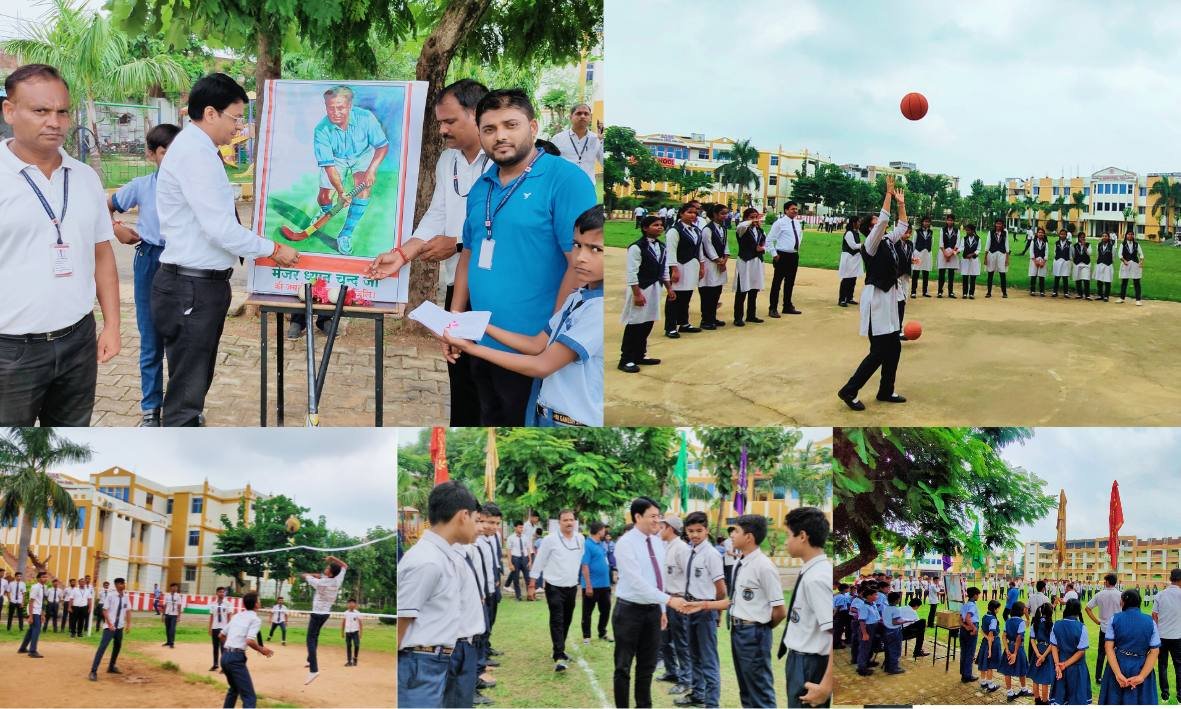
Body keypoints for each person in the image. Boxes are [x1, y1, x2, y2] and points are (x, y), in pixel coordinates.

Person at [154, 73, 299, 426]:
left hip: (197, 285)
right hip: (192, 288)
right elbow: (221, 229)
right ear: (210, 113)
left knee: (192, 379)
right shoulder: (195, 155)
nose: (239, 127)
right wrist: (273, 249)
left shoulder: (200, 150)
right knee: (187, 390)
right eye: (235, 117)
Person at [446, 89, 596, 425]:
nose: (500, 136)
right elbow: (468, 254)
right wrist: (454, 322)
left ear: (532, 126)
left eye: (510, 125)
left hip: (530, 348)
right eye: (489, 129)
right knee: (488, 419)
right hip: (480, 340)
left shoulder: (566, 179)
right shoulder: (482, 186)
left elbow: (578, 263)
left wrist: (549, 334)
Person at [0, 64, 121, 426]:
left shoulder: (84, 178)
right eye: (40, 111)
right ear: (9, 111)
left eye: (62, 111)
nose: (54, 121)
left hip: (77, 342)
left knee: (67, 448)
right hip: (10, 350)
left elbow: (102, 253)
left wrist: (112, 325)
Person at [367, 79, 490, 425]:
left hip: (495, 291)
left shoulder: (500, 161)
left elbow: (506, 230)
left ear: (476, 114)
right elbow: (437, 212)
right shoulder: (448, 161)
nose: (442, 130)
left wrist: (459, 244)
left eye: (450, 121)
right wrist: (403, 254)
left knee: (491, 383)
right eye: (439, 122)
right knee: (460, 377)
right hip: (458, 288)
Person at [442, 205, 604, 427]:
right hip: (545, 412)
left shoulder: (597, 311)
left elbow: (542, 364)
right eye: (577, 245)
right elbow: (536, 344)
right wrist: (477, 325)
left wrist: (473, 349)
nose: (581, 257)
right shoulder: (578, 298)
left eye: (596, 249)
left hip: (571, 422)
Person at [104, 123, 180, 426]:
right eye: (165, 152)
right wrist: (116, 229)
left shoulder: (194, 188)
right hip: (150, 260)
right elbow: (104, 206)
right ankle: (151, 409)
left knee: (182, 340)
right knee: (151, 339)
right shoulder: (141, 186)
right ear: (152, 154)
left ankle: (181, 407)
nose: (172, 159)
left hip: (184, 263)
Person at [397, 481, 482, 708]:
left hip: (434, 661)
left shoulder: (443, 555)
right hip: (419, 664)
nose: (478, 527)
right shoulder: (427, 561)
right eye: (476, 520)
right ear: (463, 516)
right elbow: (402, 619)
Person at [613, 497, 695, 708]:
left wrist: (661, 610)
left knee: (647, 666)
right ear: (638, 516)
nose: (657, 521)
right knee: (623, 666)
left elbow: (658, 579)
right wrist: (669, 601)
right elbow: (636, 582)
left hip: (652, 612)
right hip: (629, 612)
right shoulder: (625, 544)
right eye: (652, 516)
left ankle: (644, 705)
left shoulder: (658, 543)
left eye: (659, 516)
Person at [837, 176, 909, 411]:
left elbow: (903, 227)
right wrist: (887, 195)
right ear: (871, 228)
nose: (881, 223)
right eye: (876, 222)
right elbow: (884, 221)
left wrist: (901, 203)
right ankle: (849, 390)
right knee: (878, 351)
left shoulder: (888, 240)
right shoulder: (871, 243)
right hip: (876, 298)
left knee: (894, 348)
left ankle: (886, 390)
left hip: (888, 298)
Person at [777, 506, 834, 708]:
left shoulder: (817, 578)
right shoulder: (811, 571)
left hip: (809, 664)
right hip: (801, 660)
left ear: (802, 536)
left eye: (787, 535)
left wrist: (826, 685)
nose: (786, 541)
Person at [729, 514, 787, 708]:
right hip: (738, 630)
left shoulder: (764, 566)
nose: (731, 535)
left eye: (736, 531)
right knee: (746, 687)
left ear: (749, 537)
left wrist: (761, 627)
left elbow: (779, 610)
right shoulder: (741, 562)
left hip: (754, 633)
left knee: (760, 689)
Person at [679, 511, 726, 708]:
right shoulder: (692, 550)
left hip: (705, 610)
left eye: (699, 530)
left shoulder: (712, 554)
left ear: (707, 530)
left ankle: (712, 703)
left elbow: (721, 589)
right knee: (694, 656)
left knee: (708, 660)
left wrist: (717, 612)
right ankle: (698, 695)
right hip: (691, 608)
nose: (695, 535)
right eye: (690, 531)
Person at [530, 509, 585, 672]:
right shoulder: (550, 540)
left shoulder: (580, 539)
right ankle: (559, 655)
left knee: (567, 619)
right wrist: (532, 584)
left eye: (571, 520)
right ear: (559, 522)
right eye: (565, 520)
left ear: (575, 522)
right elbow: (539, 561)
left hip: (571, 586)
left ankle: (559, 649)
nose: (569, 523)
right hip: (554, 586)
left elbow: (579, 560)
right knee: (557, 619)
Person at [618, 215, 668, 374]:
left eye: (661, 225)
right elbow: (632, 273)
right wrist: (637, 294)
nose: (659, 227)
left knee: (647, 322)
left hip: (655, 287)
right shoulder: (637, 247)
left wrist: (669, 288)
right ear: (645, 228)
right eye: (655, 225)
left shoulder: (661, 246)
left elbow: (664, 269)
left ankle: (640, 354)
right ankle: (626, 358)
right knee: (635, 323)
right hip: (641, 288)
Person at [1100, 588, 1161, 705]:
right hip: (1140, 665)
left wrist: (1118, 674)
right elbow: (1154, 651)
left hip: (1118, 663)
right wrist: (1142, 676)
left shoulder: (1115, 618)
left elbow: (1108, 647)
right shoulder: (1150, 621)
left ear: (1123, 602)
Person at [216, 590, 272, 708]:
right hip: (235, 659)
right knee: (249, 697)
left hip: (225, 657)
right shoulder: (255, 619)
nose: (260, 602)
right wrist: (262, 650)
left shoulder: (237, 616)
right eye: (259, 600)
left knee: (234, 689)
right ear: (256, 604)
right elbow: (249, 641)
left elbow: (221, 635)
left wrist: (230, 649)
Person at [658, 515, 692, 695]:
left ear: (670, 528)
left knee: (681, 642)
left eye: (662, 526)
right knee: (665, 640)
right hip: (666, 600)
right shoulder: (666, 547)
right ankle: (672, 671)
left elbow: (689, 577)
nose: (659, 529)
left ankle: (686, 679)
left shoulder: (681, 549)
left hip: (678, 600)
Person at [302, 554, 349, 684]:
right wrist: (333, 557)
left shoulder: (321, 583)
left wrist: (306, 575)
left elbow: (308, 577)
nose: (326, 568)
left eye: (328, 568)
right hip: (325, 614)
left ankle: (313, 670)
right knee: (314, 637)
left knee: (310, 639)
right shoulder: (337, 579)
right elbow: (345, 566)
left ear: (331, 573)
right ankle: (310, 659)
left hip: (317, 614)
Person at [663, 203, 703, 337]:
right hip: (679, 265)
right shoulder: (675, 230)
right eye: (689, 212)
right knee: (674, 297)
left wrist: (701, 266)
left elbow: (699, 250)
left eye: (695, 213)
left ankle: (684, 322)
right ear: (681, 214)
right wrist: (674, 269)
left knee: (686, 296)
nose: (693, 215)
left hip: (692, 266)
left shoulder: (696, 230)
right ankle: (670, 326)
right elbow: (671, 251)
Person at [1050, 598, 1092, 705]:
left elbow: (1053, 646)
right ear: (1078, 611)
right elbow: (1081, 651)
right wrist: (1062, 665)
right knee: (1076, 698)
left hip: (1061, 665)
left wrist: (1057, 664)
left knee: (1061, 697)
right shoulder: (1082, 627)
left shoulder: (1056, 625)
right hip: (1076, 667)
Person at [88, 577, 129, 681]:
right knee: (102, 648)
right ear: (116, 585)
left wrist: (128, 624)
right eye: (121, 583)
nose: (123, 585)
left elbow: (128, 610)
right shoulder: (110, 596)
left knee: (117, 647)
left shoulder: (126, 597)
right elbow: (105, 610)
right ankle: (93, 671)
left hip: (119, 627)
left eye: (123, 583)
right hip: (109, 628)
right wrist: (110, 624)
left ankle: (111, 666)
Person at [768, 201, 804, 316]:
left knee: (790, 282)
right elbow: (769, 240)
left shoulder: (797, 223)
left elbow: (799, 236)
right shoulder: (779, 223)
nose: (795, 211)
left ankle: (787, 306)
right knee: (777, 283)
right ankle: (773, 308)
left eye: (796, 209)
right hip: (782, 255)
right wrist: (774, 254)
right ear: (786, 210)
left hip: (793, 255)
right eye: (792, 209)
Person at [551, 103, 602, 185]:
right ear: (570, 117)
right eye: (578, 113)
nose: (582, 116)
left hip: (587, 187)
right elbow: (551, 164)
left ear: (590, 118)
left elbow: (604, 163)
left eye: (586, 114)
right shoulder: (558, 139)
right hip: (564, 187)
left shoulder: (597, 139)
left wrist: (602, 141)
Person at [698, 203, 730, 330]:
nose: (725, 216)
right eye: (722, 213)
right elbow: (708, 246)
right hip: (710, 264)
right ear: (715, 214)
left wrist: (725, 259)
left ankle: (712, 317)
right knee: (708, 292)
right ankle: (706, 319)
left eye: (726, 213)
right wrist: (718, 260)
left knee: (717, 291)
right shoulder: (707, 229)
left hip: (720, 262)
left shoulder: (723, 229)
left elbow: (725, 245)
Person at [733, 208, 766, 326]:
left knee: (754, 289)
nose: (755, 220)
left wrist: (762, 249)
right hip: (745, 261)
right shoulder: (742, 229)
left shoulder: (760, 230)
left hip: (756, 261)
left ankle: (751, 315)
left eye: (756, 217)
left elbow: (764, 244)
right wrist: (752, 221)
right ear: (746, 218)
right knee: (742, 289)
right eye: (751, 217)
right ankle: (738, 317)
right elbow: (741, 226)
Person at [580, 520, 613, 645]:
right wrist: (588, 585)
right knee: (587, 612)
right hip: (592, 585)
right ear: (599, 531)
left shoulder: (601, 544)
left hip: (604, 584)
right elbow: (585, 565)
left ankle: (602, 632)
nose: (605, 532)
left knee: (605, 610)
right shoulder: (587, 545)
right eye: (604, 529)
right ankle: (586, 636)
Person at [1153, 568, 1181, 702]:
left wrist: (1159, 627)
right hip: (1178, 636)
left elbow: (1154, 615)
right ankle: (1180, 694)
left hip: (1162, 635)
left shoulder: (1160, 594)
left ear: (1171, 579)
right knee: (1179, 665)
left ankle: (1165, 693)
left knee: (1162, 665)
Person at [1000, 600, 1032, 700]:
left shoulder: (1008, 621)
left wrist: (1007, 649)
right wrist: (1014, 653)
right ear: (1021, 610)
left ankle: (1010, 693)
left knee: (1007, 670)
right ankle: (1024, 689)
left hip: (1009, 647)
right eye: (1024, 609)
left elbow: (1004, 636)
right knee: (1022, 669)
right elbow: (1019, 637)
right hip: (1018, 648)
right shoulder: (1021, 622)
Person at [17, 570, 48, 658]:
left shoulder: (43, 587)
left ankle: (22, 648)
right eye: (43, 577)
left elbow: (42, 602)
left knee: (31, 630)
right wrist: (30, 616)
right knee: (36, 630)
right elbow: (31, 602)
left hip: (38, 611)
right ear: (38, 579)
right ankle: (32, 651)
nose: (45, 578)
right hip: (33, 611)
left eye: (46, 577)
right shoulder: (36, 587)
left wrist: (42, 614)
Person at [976, 599, 1002, 692]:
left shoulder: (984, 616)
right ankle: (990, 685)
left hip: (984, 642)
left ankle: (983, 682)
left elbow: (981, 630)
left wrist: (986, 637)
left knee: (984, 662)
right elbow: (991, 635)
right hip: (992, 644)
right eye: (998, 608)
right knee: (990, 664)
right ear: (995, 609)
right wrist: (990, 650)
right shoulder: (993, 619)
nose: (998, 610)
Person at [837, 215, 863, 307]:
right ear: (854, 223)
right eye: (858, 222)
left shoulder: (856, 233)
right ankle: (842, 299)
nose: (860, 223)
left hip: (855, 258)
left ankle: (849, 297)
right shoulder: (849, 233)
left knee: (853, 279)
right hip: (848, 258)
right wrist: (863, 245)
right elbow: (853, 246)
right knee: (846, 278)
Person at [208, 586, 233, 671]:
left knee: (223, 648)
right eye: (220, 592)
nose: (222, 593)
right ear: (217, 593)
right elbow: (211, 616)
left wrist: (229, 629)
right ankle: (215, 664)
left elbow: (229, 617)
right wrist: (210, 628)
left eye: (223, 592)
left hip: (223, 629)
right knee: (215, 647)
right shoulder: (213, 604)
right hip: (215, 627)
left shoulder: (228, 604)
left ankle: (224, 666)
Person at [936, 213, 960, 298]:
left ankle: (950, 292)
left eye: (951, 220)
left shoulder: (957, 231)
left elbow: (957, 244)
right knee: (941, 273)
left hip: (952, 254)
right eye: (948, 220)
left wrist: (950, 254)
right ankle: (940, 291)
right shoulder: (942, 230)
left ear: (953, 221)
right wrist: (945, 254)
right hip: (943, 252)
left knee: (951, 274)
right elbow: (941, 243)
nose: (950, 221)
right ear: (946, 221)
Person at [881, 592, 905, 675]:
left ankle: (888, 667)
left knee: (888, 650)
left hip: (886, 630)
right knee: (895, 650)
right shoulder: (896, 609)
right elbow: (895, 622)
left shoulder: (885, 608)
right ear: (897, 600)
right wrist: (905, 621)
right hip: (894, 631)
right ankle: (893, 668)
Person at [960, 586, 981, 684]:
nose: (978, 597)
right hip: (971, 629)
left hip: (964, 629)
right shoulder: (972, 605)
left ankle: (964, 674)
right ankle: (967, 675)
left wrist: (965, 626)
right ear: (975, 595)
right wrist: (973, 627)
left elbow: (960, 619)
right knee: (970, 653)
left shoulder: (965, 604)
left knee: (964, 652)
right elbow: (968, 617)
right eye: (978, 595)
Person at [984, 218, 1010, 298]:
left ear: (1002, 225)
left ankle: (1004, 293)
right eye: (997, 223)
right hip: (992, 253)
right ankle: (988, 292)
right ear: (995, 224)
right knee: (990, 273)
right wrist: (985, 257)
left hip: (1002, 254)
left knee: (1002, 274)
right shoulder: (991, 232)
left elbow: (1007, 245)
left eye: (1000, 224)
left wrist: (1007, 258)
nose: (998, 225)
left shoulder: (1005, 233)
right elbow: (988, 244)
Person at [1118, 229, 1144, 305]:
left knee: (1136, 282)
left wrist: (1141, 262)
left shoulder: (1136, 244)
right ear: (1126, 235)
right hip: (1126, 263)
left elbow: (1141, 254)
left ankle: (1138, 300)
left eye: (1132, 234)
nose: (1130, 236)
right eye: (1128, 234)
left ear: (1133, 236)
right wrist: (1124, 261)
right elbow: (1120, 254)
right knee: (1124, 282)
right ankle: (1122, 298)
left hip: (1135, 264)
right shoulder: (1123, 244)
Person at [911, 215, 933, 297]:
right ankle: (913, 292)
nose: (926, 223)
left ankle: (925, 291)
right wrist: (913, 255)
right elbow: (913, 243)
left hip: (927, 254)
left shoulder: (931, 232)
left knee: (926, 273)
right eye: (925, 221)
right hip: (918, 253)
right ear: (922, 222)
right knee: (916, 273)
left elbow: (932, 242)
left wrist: (929, 251)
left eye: (928, 222)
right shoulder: (917, 231)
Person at [958, 223, 981, 299]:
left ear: (972, 230)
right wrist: (957, 252)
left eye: (968, 230)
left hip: (973, 260)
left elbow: (978, 249)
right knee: (965, 276)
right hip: (965, 259)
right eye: (966, 230)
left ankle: (971, 293)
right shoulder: (964, 239)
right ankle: (964, 293)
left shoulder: (978, 239)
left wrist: (972, 254)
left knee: (973, 277)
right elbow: (961, 247)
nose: (967, 232)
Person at [1093, 232, 1115, 302]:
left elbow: (1113, 257)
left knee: (1107, 281)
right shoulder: (1098, 245)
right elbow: (1097, 254)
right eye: (1103, 236)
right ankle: (1100, 295)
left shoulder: (1112, 246)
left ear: (1108, 237)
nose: (1104, 237)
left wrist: (1109, 262)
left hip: (1108, 265)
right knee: (1099, 280)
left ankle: (1106, 296)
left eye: (1106, 236)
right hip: (1100, 264)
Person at [1028, 227, 1049, 296]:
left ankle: (1042, 291)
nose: (1040, 234)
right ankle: (1032, 290)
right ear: (1037, 234)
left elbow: (1046, 252)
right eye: (1039, 232)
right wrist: (1035, 261)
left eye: (1042, 233)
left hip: (1042, 260)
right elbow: (1031, 251)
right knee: (1033, 275)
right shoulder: (1033, 242)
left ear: (1044, 234)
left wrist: (1043, 261)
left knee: (1041, 276)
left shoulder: (1045, 243)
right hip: (1034, 260)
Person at [162, 582, 184, 648]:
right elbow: (165, 605)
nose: (176, 588)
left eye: (176, 587)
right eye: (174, 587)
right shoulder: (167, 596)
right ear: (171, 587)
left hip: (174, 615)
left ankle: (172, 643)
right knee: (167, 629)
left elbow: (179, 606)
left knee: (172, 629)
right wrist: (163, 615)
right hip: (167, 614)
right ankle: (168, 642)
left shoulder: (178, 596)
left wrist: (179, 616)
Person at [342, 598, 363, 667]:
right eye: (349, 603)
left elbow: (360, 624)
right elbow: (343, 622)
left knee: (357, 645)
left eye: (353, 603)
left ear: (355, 605)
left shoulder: (358, 613)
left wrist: (361, 633)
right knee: (348, 646)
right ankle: (349, 661)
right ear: (347, 605)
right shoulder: (345, 613)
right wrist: (342, 632)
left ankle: (355, 658)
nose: (351, 604)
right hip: (348, 632)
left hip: (355, 632)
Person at [1072, 232, 1092, 300]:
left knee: (1086, 279)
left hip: (1086, 263)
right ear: (1078, 238)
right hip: (1077, 263)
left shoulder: (1088, 245)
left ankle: (1087, 295)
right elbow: (1073, 255)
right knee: (1078, 279)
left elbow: (1089, 253)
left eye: (1083, 237)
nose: (1082, 238)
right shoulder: (1075, 245)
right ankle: (1079, 294)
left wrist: (1085, 247)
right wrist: (1075, 261)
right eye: (1081, 237)